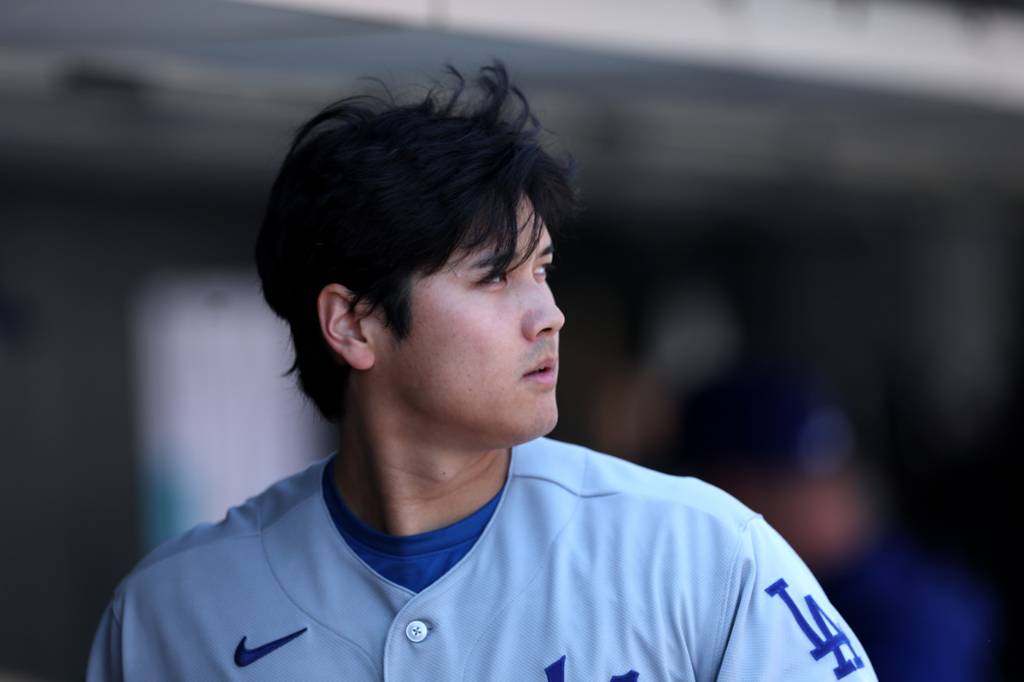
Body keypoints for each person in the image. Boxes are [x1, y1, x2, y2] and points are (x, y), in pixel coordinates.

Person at [86, 62, 877, 681]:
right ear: (353, 324)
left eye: (543, 269)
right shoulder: (170, 611)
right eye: (496, 276)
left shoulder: (701, 551)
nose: (549, 314)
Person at [675, 362, 1002, 680]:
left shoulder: (919, 609)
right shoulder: (702, 590)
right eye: (800, 482)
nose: (832, 494)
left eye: (834, 471)